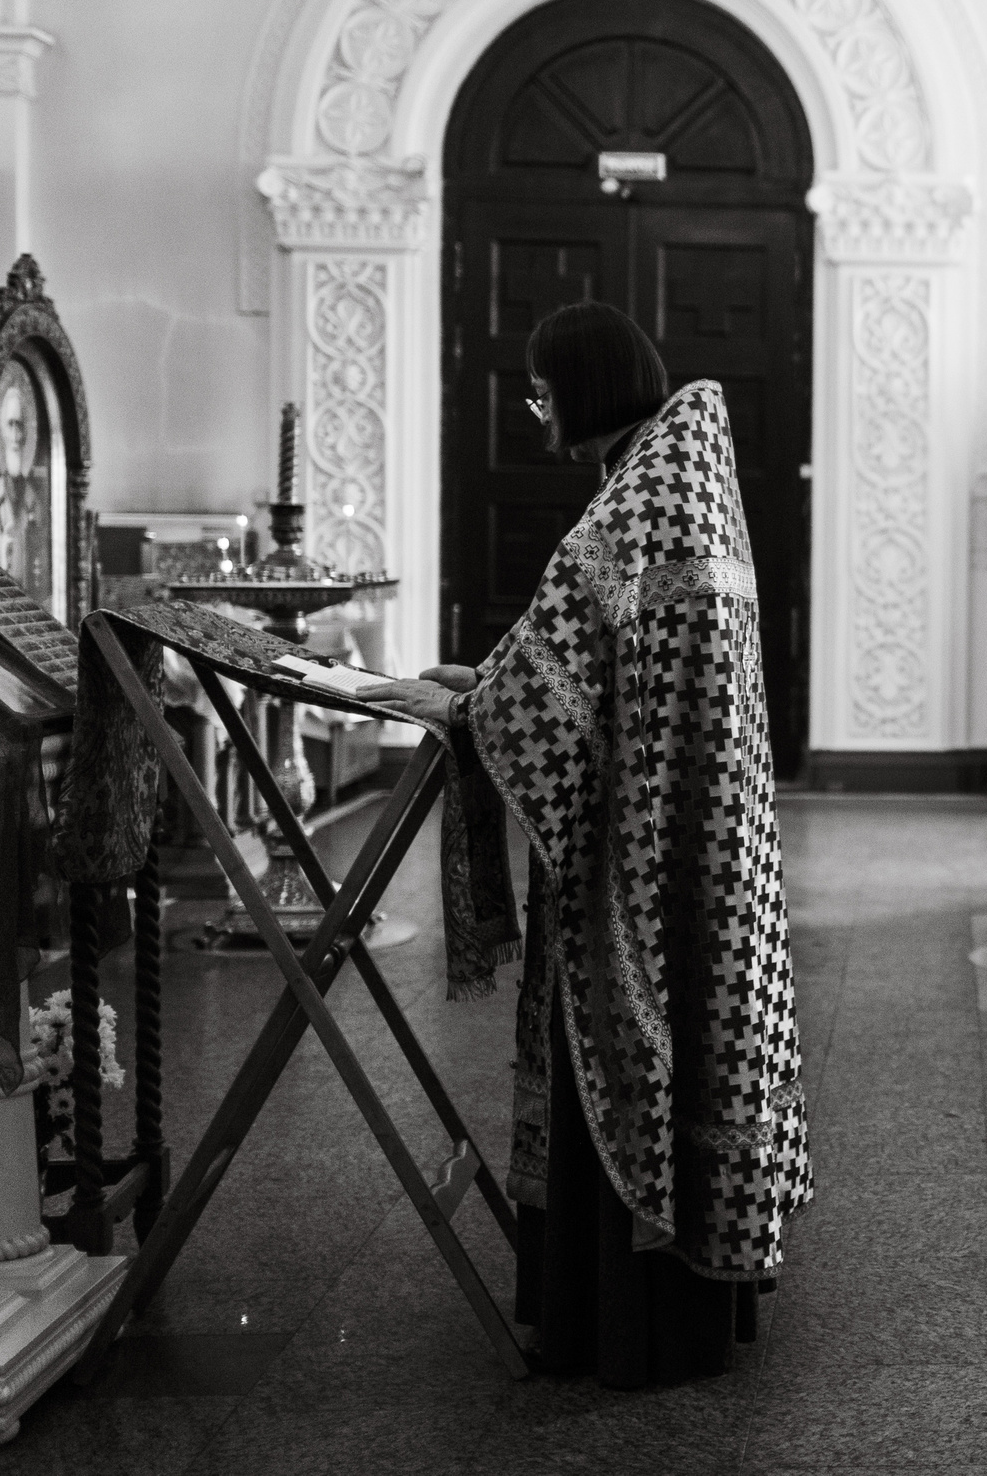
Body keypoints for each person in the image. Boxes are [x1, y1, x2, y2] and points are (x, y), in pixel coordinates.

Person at [363, 301, 809, 1389]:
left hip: (641, 859)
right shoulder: (680, 480)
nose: (535, 410)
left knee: (624, 1048)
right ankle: (691, 1302)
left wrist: (478, 703)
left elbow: (564, 689)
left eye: (540, 389)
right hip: (706, 841)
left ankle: (623, 1322)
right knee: (705, 1027)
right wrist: (493, 679)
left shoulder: (629, 509)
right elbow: (601, 661)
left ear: (579, 390)